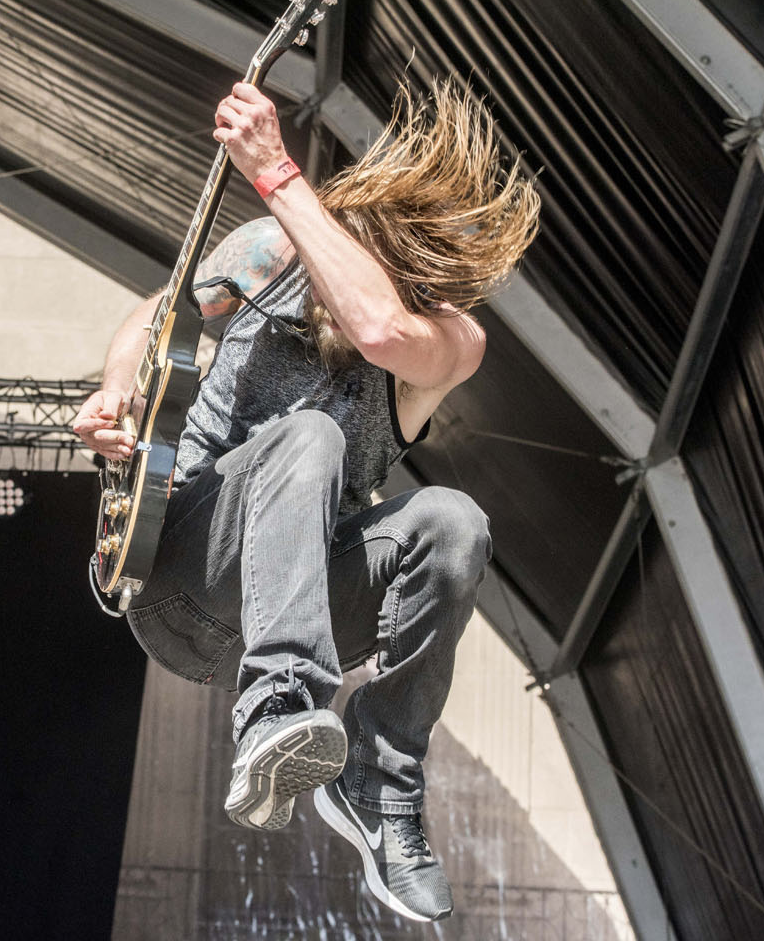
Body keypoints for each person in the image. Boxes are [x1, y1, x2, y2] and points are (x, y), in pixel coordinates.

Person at [73, 77, 539, 922]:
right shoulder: (270, 252)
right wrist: (116, 395)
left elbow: (379, 330)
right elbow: (159, 315)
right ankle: (277, 705)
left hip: (306, 606)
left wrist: (277, 173)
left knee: (454, 522)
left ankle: (380, 786)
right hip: (185, 575)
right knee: (308, 435)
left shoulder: (451, 339)